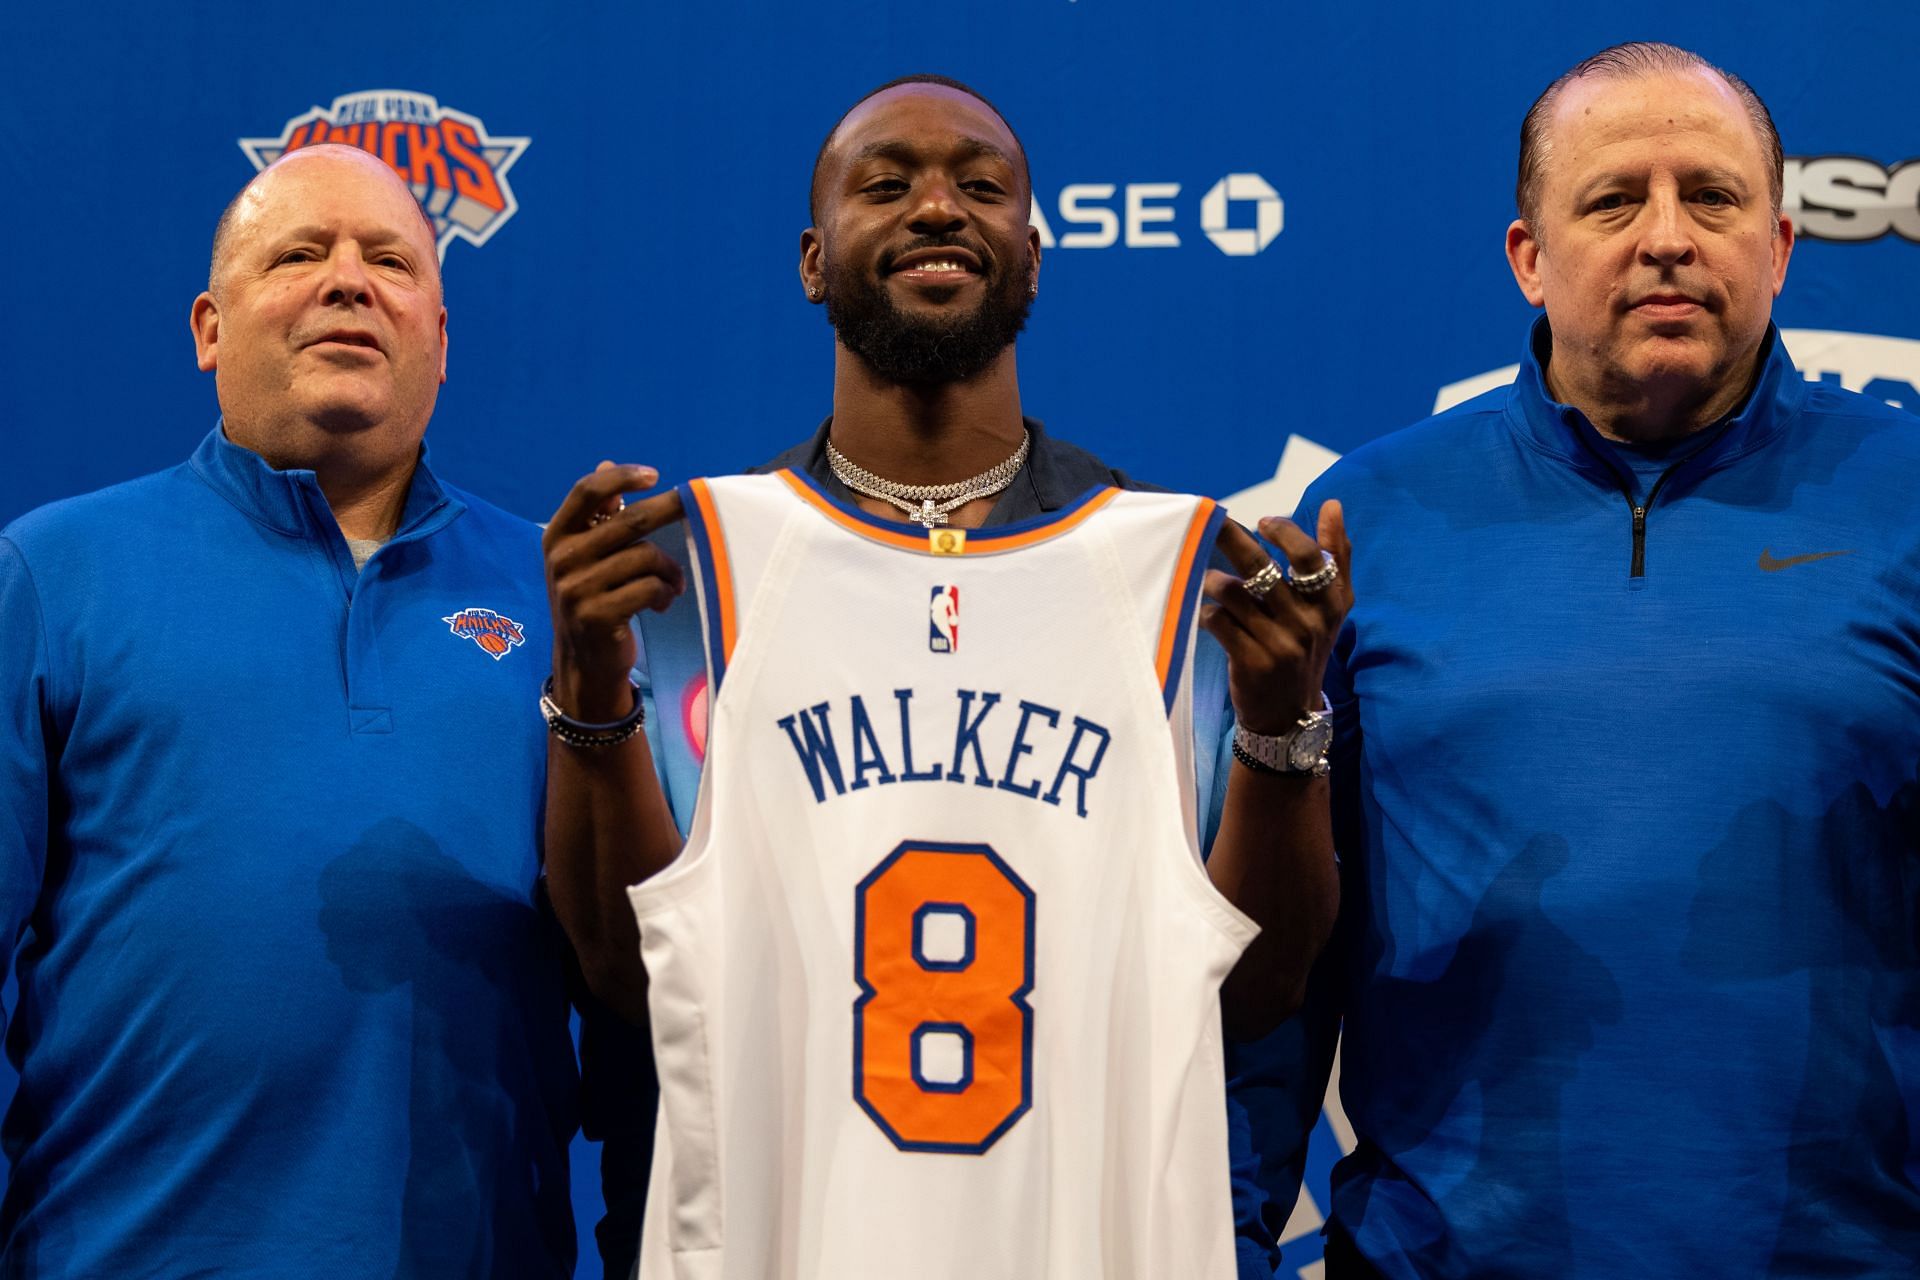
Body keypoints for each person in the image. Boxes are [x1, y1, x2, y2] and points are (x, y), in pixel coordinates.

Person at [538, 76, 1348, 1274]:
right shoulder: (683, 584)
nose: (934, 208)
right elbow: (624, 975)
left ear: (1033, 256)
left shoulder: (1178, 585)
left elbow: (1257, 987)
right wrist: (590, 697)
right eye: (886, 184)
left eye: (980, 186)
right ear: (814, 260)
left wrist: (1285, 736)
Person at [1286, 42, 1920, 1276]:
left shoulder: (1909, 497)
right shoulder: (1369, 515)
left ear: (1782, 247)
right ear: (1530, 255)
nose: (1669, 237)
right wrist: (1233, 1230)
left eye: (1713, 198)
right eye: (1616, 198)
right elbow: (1285, 952)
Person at [0, 143, 615, 1276]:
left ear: (440, 339)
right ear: (209, 330)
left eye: (389, 259)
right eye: (298, 254)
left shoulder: (563, 592)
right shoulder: (51, 572)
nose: (348, 280)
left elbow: (634, 992)